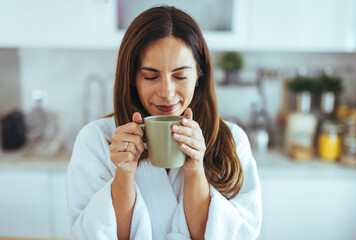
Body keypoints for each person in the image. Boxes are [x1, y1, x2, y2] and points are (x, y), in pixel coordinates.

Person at [67, 5, 262, 240]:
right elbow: (96, 235)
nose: (167, 92)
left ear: (199, 74)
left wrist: (195, 170)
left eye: (180, 76)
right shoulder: (96, 140)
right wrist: (125, 172)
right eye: (150, 76)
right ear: (132, 78)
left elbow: (236, 234)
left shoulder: (231, 140)